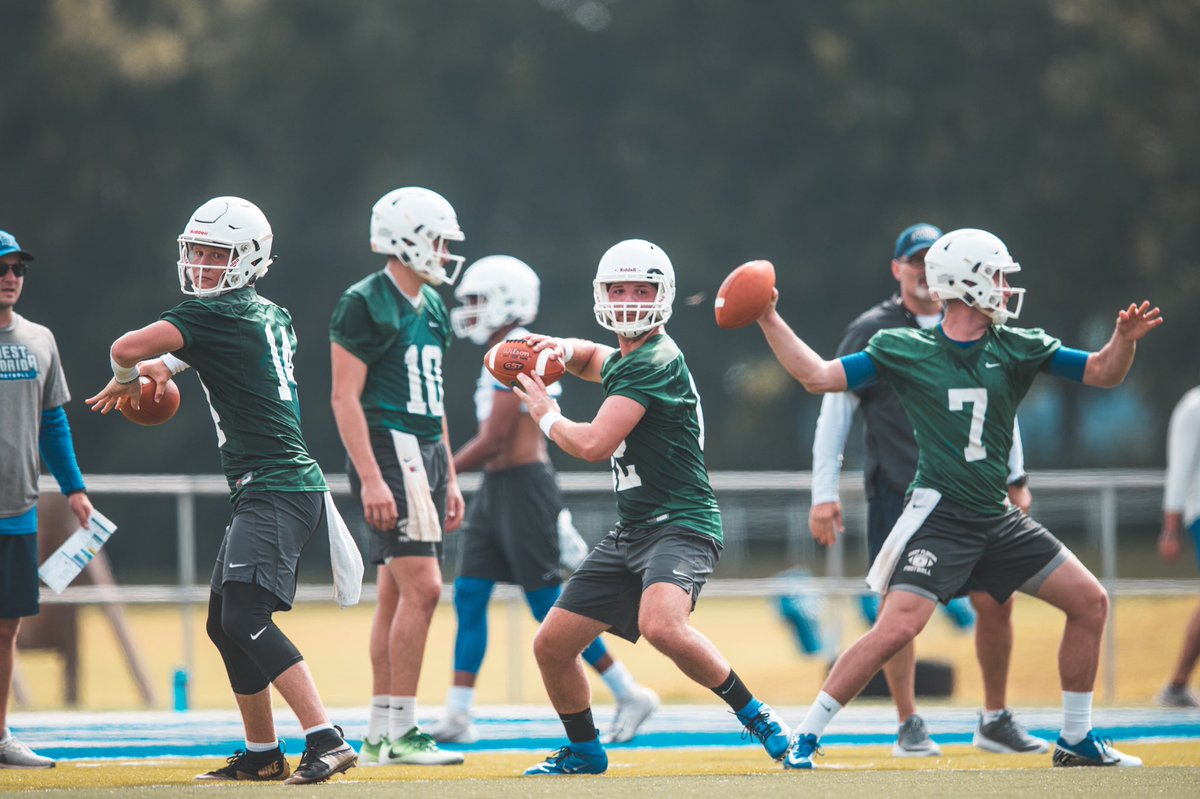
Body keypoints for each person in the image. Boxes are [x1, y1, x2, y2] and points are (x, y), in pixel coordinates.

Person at [752, 228, 1159, 770]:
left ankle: (1076, 738)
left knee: (1090, 602)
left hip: (998, 517)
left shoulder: (1016, 344)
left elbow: (1104, 372)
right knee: (895, 629)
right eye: (998, 275)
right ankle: (805, 735)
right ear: (967, 282)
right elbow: (818, 377)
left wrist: (1123, 340)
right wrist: (767, 315)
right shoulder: (901, 347)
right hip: (940, 520)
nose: (1008, 286)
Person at [86, 198, 361, 785]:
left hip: (276, 487)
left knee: (245, 615)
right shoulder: (272, 314)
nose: (203, 264)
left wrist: (129, 377)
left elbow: (123, 346)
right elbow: (233, 352)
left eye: (216, 254)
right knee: (223, 621)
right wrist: (172, 366)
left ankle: (328, 738)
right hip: (279, 486)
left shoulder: (210, 316)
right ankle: (263, 753)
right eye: (198, 252)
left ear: (248, 259)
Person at [511, 239, 791, 776]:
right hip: (635, 528)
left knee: (662, 624)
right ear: (603, 294)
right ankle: (587, 751)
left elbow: (592, 444)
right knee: (551, 644)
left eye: (643, 290)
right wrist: (558, 349)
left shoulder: (656, 359)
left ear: (662, 296)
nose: (631, 301)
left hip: (683, 523)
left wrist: (544, 412)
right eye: (620, 290)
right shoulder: (628, 357)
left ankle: (757, 716)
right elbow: (596, 357)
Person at [809, 222, 1046, 756]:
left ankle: (995, 716)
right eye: (911, 261)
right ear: (897, 269)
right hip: (903, 491)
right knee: (898, 620)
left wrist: (1016, 476)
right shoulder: (876, 330)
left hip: (977, 495)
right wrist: (823, 492)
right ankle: (909, 721)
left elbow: (1000, 406)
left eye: (928, 260)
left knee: (996, 602)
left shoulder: (978, 322)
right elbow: (834, 407)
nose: (919, 270)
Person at [425, 255, 658, 746]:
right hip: (497, 488)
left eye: (477, 300)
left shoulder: (522, 352)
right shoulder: (496, 352)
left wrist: (438, 474)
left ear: (507, 301)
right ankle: (458, 714)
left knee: (545, 603)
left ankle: (628, 691)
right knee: (468, 594)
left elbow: (493, 439)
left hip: (526, 486)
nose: (467, 310)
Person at [329, 187, 466, 767]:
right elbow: (344, 396)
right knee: (425, 588)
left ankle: (381, 731)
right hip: (390, 449)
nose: (442, 251)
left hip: (426, 452)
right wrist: (371, 477)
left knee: (395, 592)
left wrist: (452, 476)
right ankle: (404, 730)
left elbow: (435, 403)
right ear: (408, 237)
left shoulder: (431, 303)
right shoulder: (365, 300)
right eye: (436, 239)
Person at [0, 230, 93, 770]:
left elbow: (53, 421)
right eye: (1, 268)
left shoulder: (39, 340)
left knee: (7, 627)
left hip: (18, 513)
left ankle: (0, 736)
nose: (11, 277)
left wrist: (75, 487)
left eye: (18, 269)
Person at [1155, 385, 1200, 707]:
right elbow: (1179, 471)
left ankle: (1178, 684)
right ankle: (1176, 684)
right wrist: (1170, 529)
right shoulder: (1194, 407)